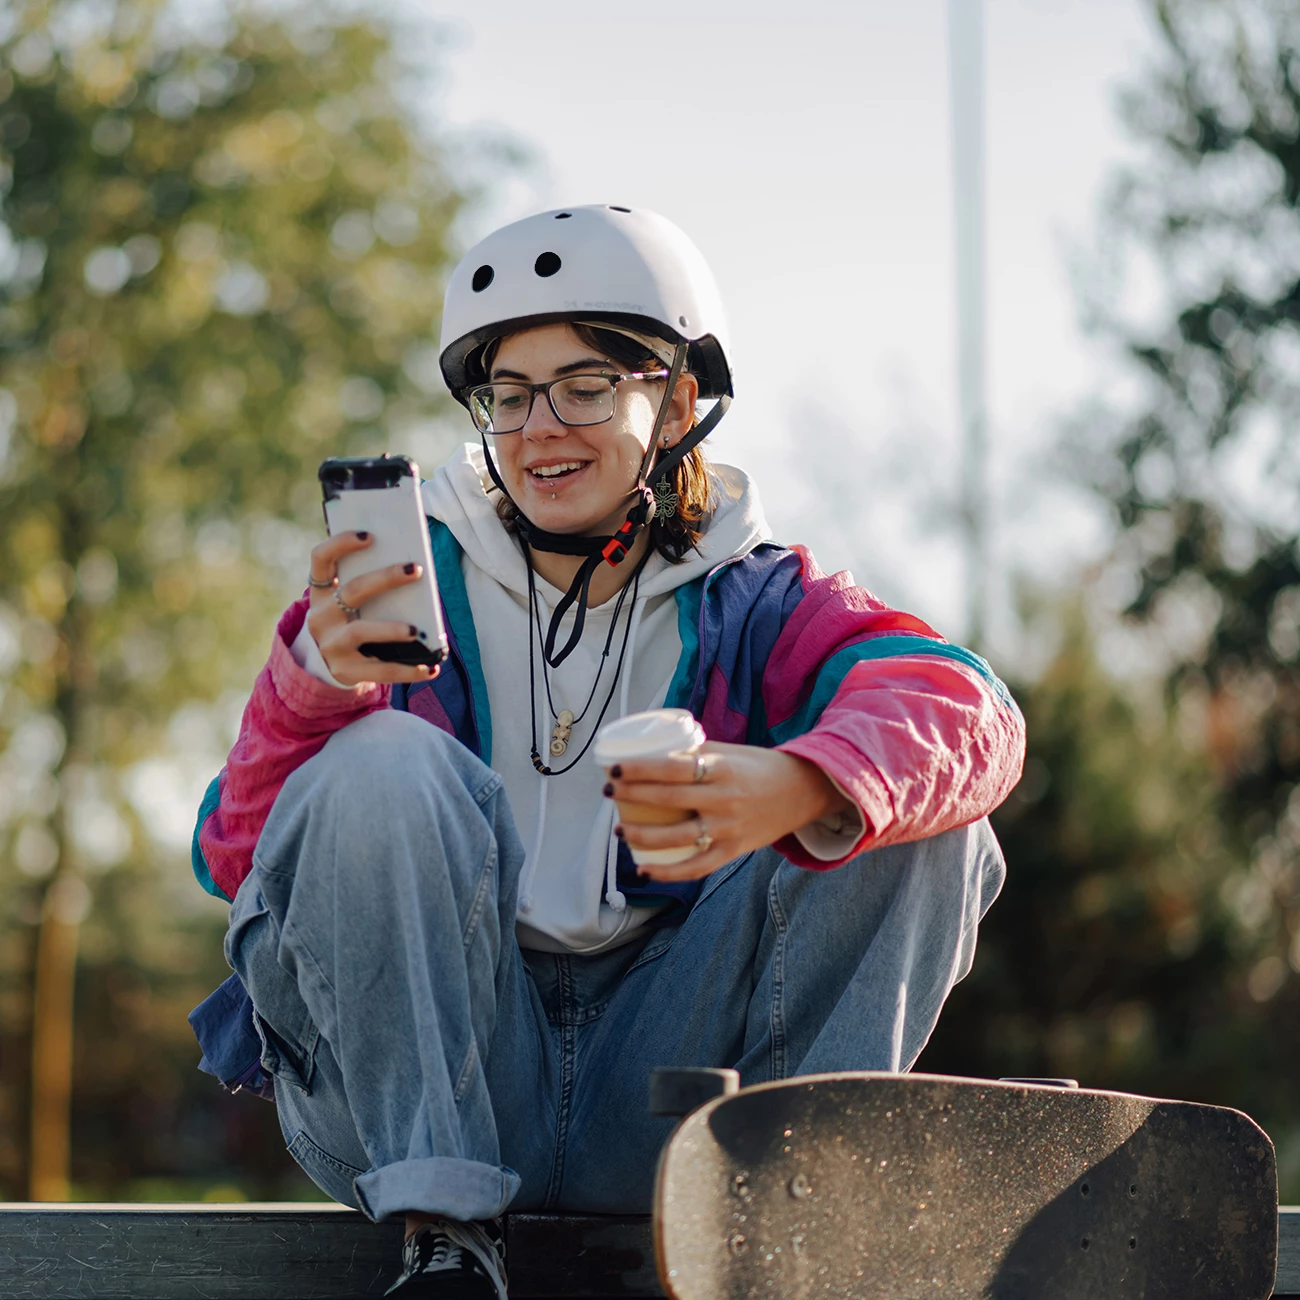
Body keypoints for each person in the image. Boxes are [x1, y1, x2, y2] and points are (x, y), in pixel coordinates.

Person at [188, 204, 1025, 1298]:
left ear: (677, 402)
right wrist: (309, 693)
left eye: (586, 386)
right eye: (509, 395)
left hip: (678, 1085)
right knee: (376, 763)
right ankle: (442, 1245)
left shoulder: (760, 592)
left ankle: (785, 1237)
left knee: (908, 808)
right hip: (440, 1092)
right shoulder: (404, 589)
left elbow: (972, 709)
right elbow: (234, 857)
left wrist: (799, 781)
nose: (541, 426)